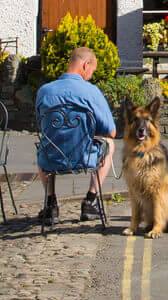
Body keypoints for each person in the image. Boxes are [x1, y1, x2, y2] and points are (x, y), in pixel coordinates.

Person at [34, 45, 118, 226]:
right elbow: (111, 131)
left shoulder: (45, 91)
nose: (91, 76)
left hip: (52, 158)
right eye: (92, 71)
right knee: (110, 144)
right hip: (83, 157)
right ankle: (90, 201)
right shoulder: (91, 92)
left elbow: (41, 125)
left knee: (43, 145)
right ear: (86, 64)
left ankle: (51, 205)